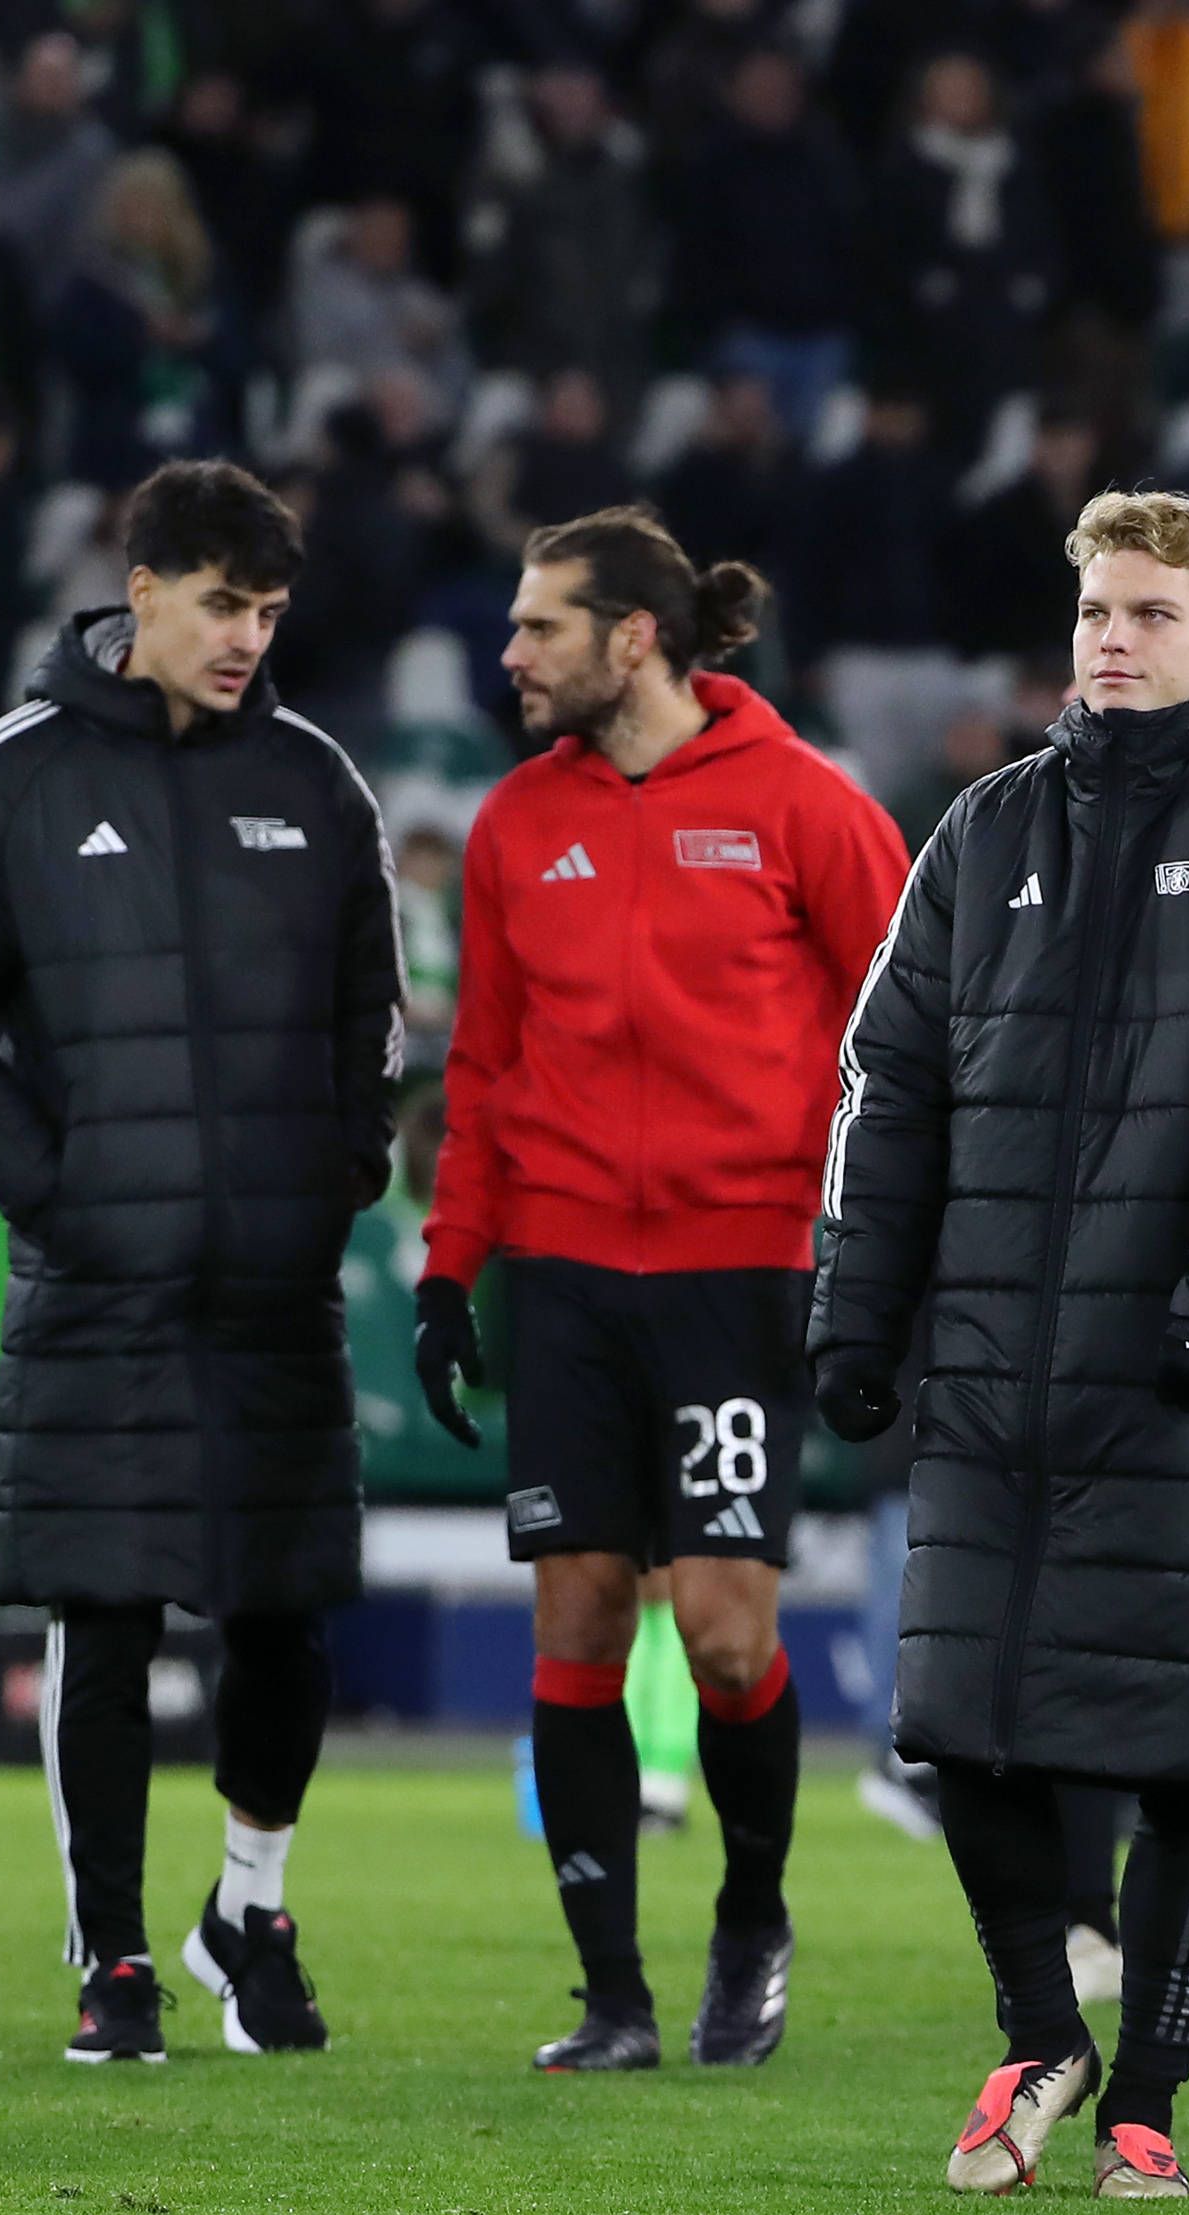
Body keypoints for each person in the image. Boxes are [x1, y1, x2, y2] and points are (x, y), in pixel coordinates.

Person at [814, 488, 1189, 2201]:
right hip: (995, 1360)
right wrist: (856, 1308)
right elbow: (887, 1086)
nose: (1112, 642)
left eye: (1148, 615)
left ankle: (1156, 2098)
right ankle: (1041, 2026)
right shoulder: (987, 825)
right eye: (1095, 614)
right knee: (968, 1717)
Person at [0, 460, 399, 2063]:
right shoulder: (13, 773)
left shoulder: (317, 785)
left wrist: (334, 1183)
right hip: (96, 1284)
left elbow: (372, 1022)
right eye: (226, 605)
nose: (250, 637)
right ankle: (112, 1959)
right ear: (146, 590)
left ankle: (250, 1909)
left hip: (268, 1288)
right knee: (100, 1617)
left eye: (270, 611)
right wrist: (59, 1194)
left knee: (283, 1612)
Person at [412, 508, 907, 2073]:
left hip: (735, 1272)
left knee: (727, 1636)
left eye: (540, 627)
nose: (511, 656)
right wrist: (446, 1275)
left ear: (635, 638)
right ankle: (611, 1995)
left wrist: (871, 1250)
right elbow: (482, 1068)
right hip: (562, 1272)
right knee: (572, 1610)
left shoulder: (806, 807)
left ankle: (751, 1925)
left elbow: (902, 1045)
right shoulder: (510, 828)